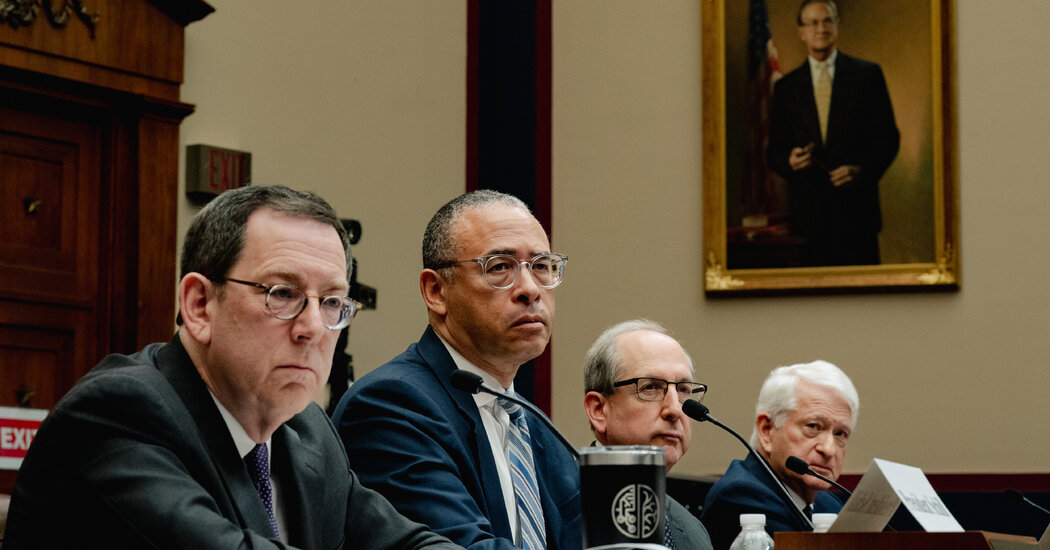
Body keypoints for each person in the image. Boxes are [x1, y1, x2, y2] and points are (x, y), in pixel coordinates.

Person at [3, 185, 461, 550]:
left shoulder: (307, 429)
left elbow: (404, 541)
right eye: (282, 293)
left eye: (333, 302)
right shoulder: (117, 415)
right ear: (199, 305)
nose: (313, 328)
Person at [332, 190, 579, 549]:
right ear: (436, 290)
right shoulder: (390, 406)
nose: (530, 289)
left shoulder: (533, 424)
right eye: (499, 267)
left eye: (541, 266)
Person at [766, 0, 900, 266]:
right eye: (813, 23)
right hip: (807, 222)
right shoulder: (786, 88)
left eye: (828, 20)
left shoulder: (867, 76)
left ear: (838, 26)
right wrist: (790, 162)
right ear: (801, 32)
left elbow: (888, 139)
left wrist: (861, 171)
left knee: (862, 305)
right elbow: (774, 151)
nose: (821, 28)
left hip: (858, 216)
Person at [583, 320, 714, 550]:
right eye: (650, 387)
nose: (674, 410)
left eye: (683, 390)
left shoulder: (694, 532)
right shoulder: (555, 506)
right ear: (599, 410)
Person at [700, 360, 858, 550]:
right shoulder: (742, 494)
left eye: (840, 434)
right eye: (813, 427)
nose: (829, 449)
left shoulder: (828, 503)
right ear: (767, 429)